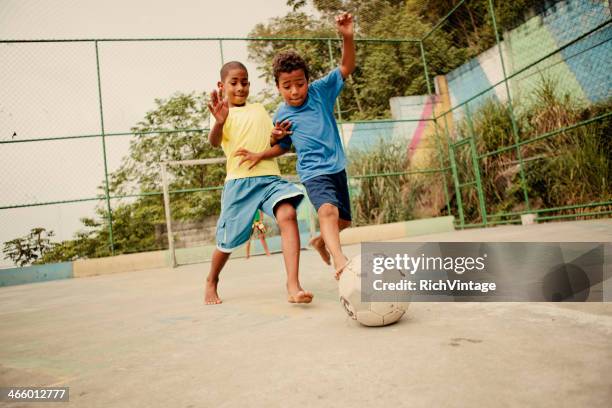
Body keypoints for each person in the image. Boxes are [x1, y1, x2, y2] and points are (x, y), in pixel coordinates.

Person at [252, 12, 356, 279]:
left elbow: (345, 67)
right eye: (287, 86)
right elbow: (282, 145)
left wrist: (346, 36)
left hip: (337, 167)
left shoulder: (321, 92)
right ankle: (340, 259)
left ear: (308, 81)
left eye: (299, 84)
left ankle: (322, 241)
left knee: (343, 221)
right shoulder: (281, 115)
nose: (295, 91)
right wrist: (271, 142)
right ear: (278, 87)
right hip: (313, 172)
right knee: (327, 211)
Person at [204, 60, 313, 305]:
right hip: (239, 183)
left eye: (244, 82)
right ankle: (212, 279)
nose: (240, 87)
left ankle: (293, 284)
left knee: (287, 214)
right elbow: (213, 142)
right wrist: (220, 122)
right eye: (234, 83)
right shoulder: (221, 111)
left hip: (270, 179)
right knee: (226, 242)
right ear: (222, 85)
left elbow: (274, 145)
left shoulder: (259, 110)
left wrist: (277, 136)